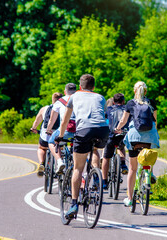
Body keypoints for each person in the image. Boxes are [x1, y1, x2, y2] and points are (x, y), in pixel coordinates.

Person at [55, 74, 109, 219]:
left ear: (80, 86)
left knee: (78, 168)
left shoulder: (74, 96)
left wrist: (60, 136)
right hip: (103, 131)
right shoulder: (100, 97)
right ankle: (95, 176)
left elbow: (65, 120)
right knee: (94, 149)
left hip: (84, 130)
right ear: (94, 87)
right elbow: (103, 115)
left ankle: (73, 204)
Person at [114, 81, 160, 207]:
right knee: (148, 157)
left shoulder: (130, 103)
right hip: (150, 136)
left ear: (135, 91)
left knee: (133, 169)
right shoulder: (151, 102)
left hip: (134, 136)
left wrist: (117, 129)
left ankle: (129, 198)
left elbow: (123, 121)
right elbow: (155, 122)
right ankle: (149, 174)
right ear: (146, 91)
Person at [46, 83, 77, 174]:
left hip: (65, 130)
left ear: (64, 92)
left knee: (51, 142)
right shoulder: (80, 100)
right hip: (79, 130)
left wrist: (48, 129)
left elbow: (52, 119)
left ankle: (59, 162)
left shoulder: (59, 102)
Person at [31, 92, 63, 177]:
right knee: (60, 148)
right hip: (59, 134)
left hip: (46, 135)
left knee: (41, 148)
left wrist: (33, 128)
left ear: (52, 99)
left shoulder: (44, 109)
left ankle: (41, 163)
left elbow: (37, 121)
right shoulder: (64, 108)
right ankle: (60, 165)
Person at [101, 93, 129, 190]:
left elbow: (104, 119)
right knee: (121, 147)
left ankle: (104, 181)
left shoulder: (109, 109)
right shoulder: (127, 108)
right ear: (123, 101)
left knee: (106, 158)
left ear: (113, 102)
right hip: (124, 135)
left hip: (111, 136)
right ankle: (123, 164)